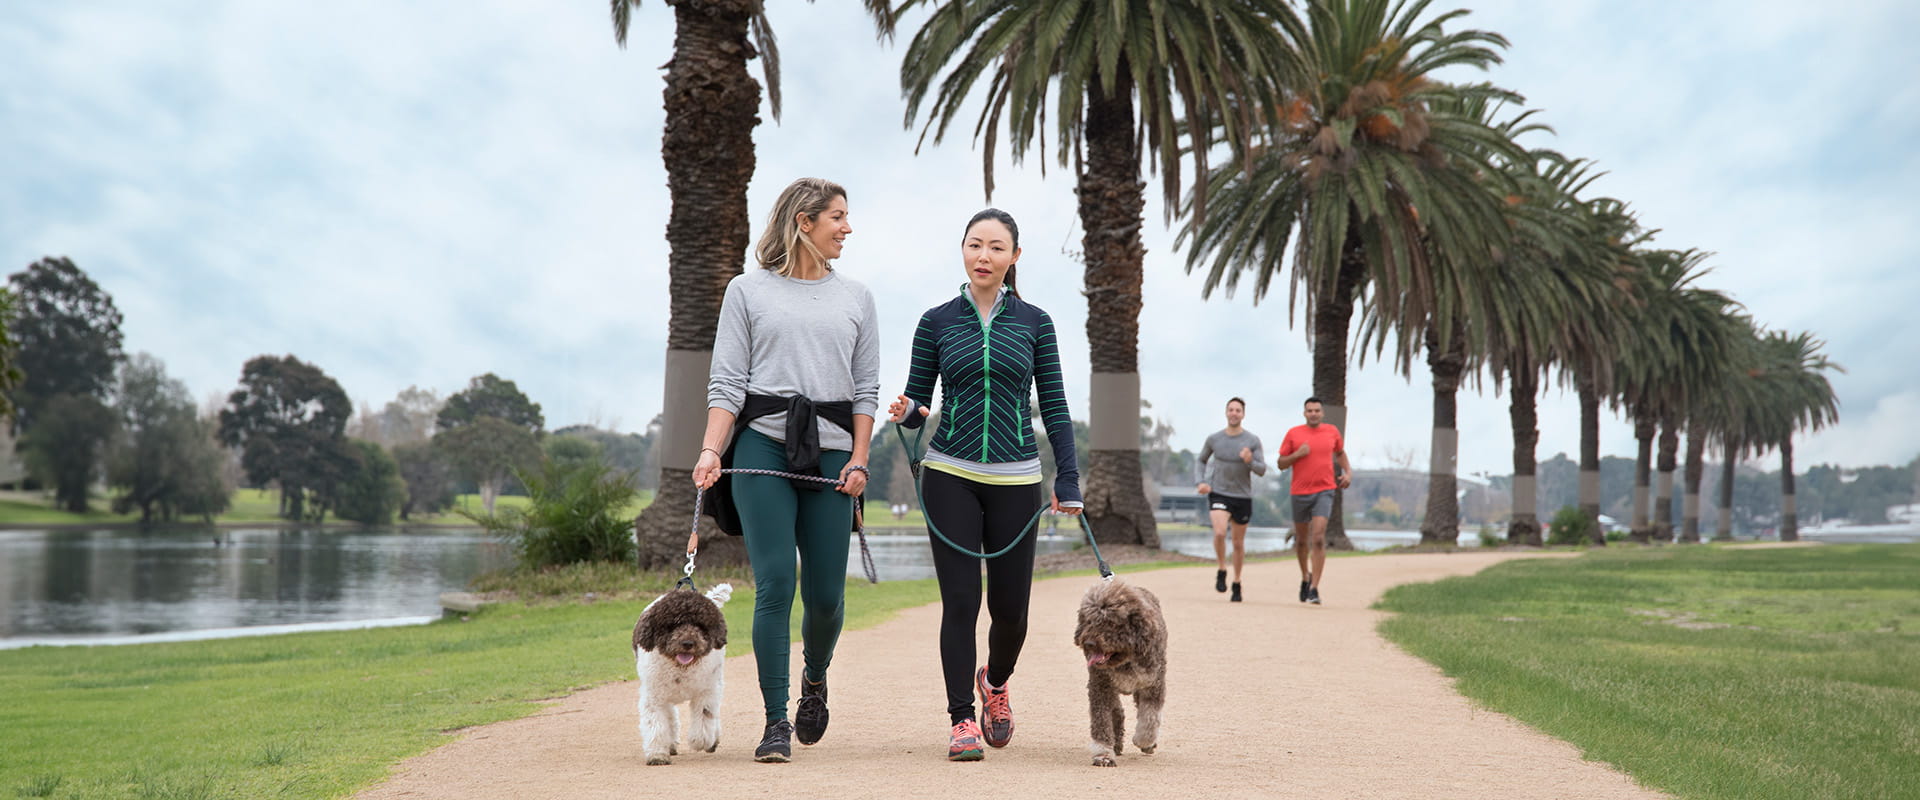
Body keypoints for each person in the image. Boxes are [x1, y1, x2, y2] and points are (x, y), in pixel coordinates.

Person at [692, 177, 878, 763]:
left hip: (830, 450)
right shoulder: (747, 292)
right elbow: (727, 384)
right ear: (804, 222)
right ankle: (775, 722)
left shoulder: (857, 297)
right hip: (763, 448)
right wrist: (710, 451)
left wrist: (860, 459)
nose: (848, 227)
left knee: (825, 596)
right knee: (776, 584)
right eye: (838, 217)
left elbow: (866, 390)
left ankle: (814, 679)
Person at [887, 208, 1081, 762]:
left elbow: (1058, 409)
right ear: (963, 251)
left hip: (1017, 478)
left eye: (997, 248)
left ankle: (994, 684)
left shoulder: (1036, 323)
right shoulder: (937, 320)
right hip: (949, 473)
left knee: (1012, 610)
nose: (984, 256)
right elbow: (919, 402)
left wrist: (1067, 477)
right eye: (975, 245)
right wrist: (907, 411)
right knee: (961, 602)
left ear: (1014, 257)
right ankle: (960, 719)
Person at [1276, 396, 1351, 605]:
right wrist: (1298, 454)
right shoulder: (1294, 434)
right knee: (1301, 541)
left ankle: (1315, 588)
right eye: (1309, 411)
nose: (1313, 414)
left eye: (1317, 410)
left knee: (1318, 538)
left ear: (1322, 413)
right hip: (1299, 492)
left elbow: (1341, 453)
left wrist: (1348, 472)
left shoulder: (1332, 432)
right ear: (1304, 413)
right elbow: (1281, 463)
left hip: (1325, 490)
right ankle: (1305, 577)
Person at [1195, 397, 1267, 602]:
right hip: (1219, 492)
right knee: (1219, 532)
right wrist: (1200, 482)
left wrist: (1249, 460)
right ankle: (1221, 569)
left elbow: (1262, 470)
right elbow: (1201, 460)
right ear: (1226, 412)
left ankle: (1236, 582)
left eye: (1238, 410)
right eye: (1231, 409)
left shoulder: (1252, 441)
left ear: (1243, 414)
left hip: (1242, 496)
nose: (1234, 413)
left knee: (1237, 543)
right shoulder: (1214, 439)